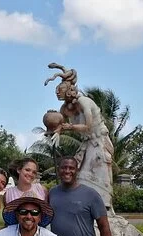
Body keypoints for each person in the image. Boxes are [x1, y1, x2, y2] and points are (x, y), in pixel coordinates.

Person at [45, 63, 114, 209]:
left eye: (60, 90)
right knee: (78, 174)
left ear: (69, 90)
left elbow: (87, 126)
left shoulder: (84, 102)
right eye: (57, 90)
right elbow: (60, 123)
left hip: (98, 141)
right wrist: (55, 132)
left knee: (91, 174)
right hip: (86, 142)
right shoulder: (64, 108)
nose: (57, 92)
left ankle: (104, 206)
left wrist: (69, 127)